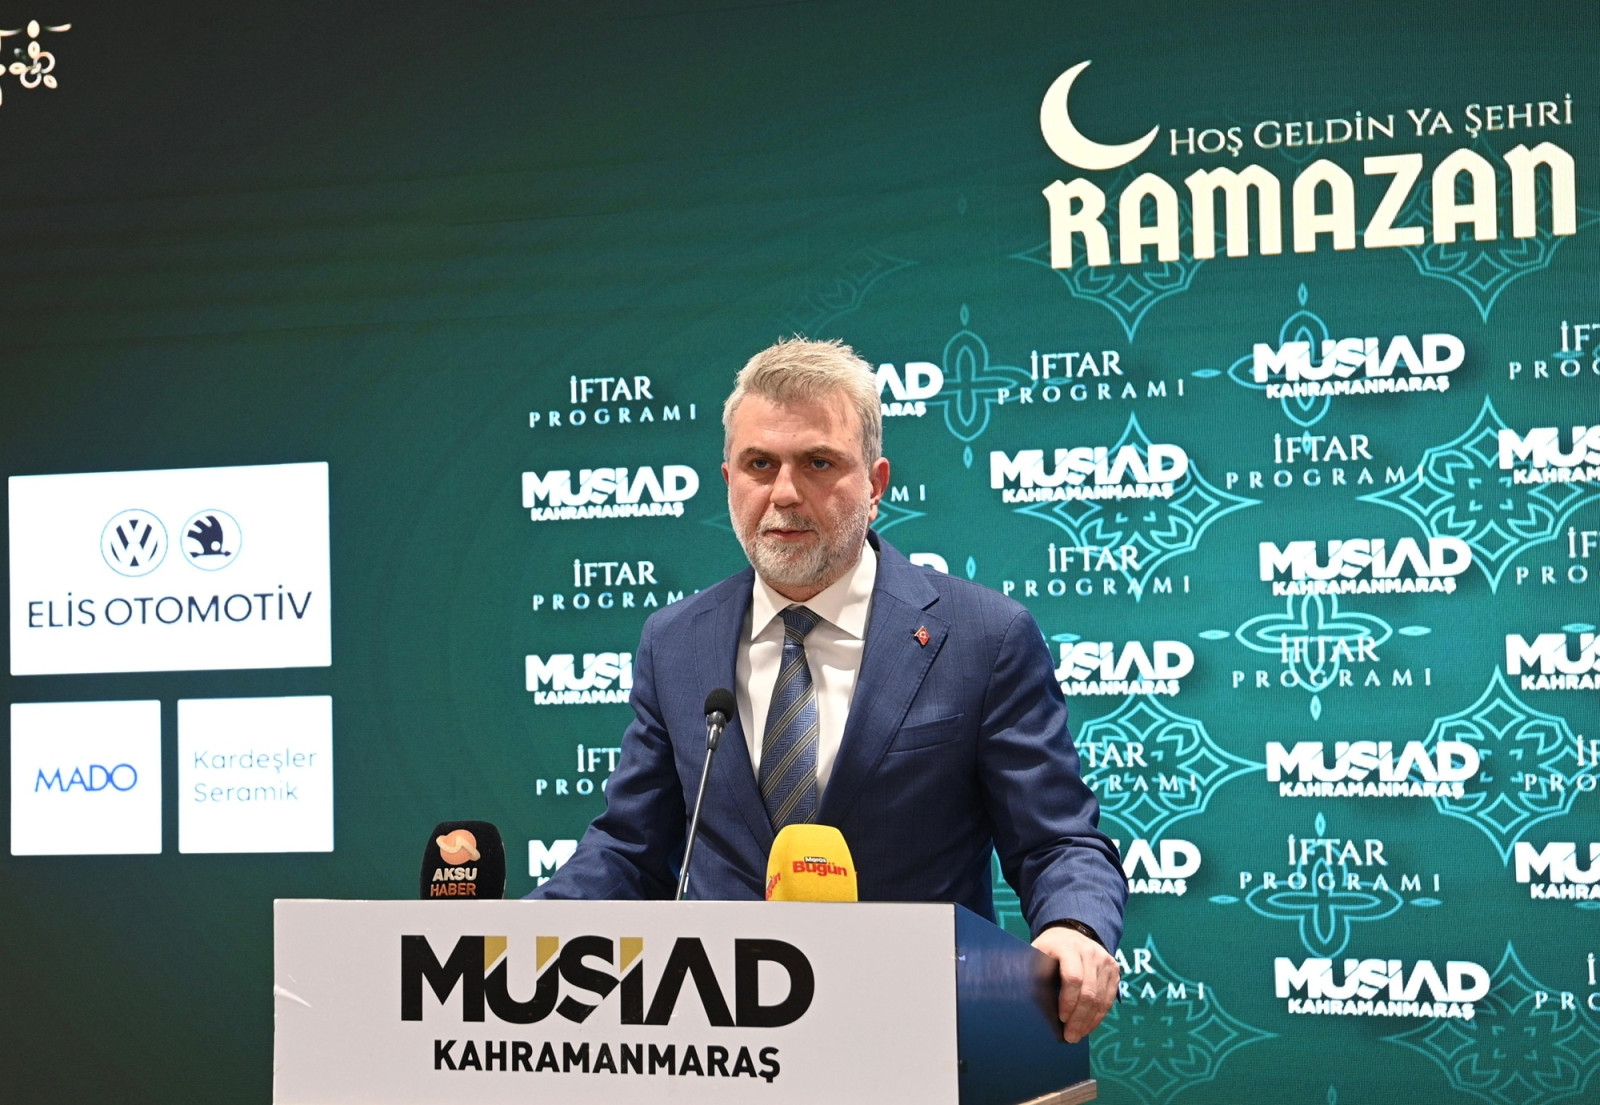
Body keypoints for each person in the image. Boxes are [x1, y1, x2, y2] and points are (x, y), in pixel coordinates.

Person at [532, 336, 1126, 1042]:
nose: (784, 493)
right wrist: (512, 936)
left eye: (818, 462)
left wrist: (1074, 927)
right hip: (718, 1044)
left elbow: (1057, 840)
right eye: (759, 464)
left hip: (917, 1036)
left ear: (875, 484)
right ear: (728, 479)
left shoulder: (983, 637)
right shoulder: (676, 641)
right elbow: (632, 850)